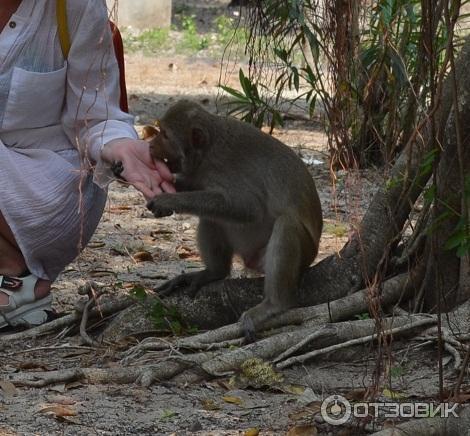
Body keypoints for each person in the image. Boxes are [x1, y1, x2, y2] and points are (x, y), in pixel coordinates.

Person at [0, 0, 174, 328]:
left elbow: (97, 116)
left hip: (52, 187)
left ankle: (15, 279)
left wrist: (119, 145)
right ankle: (14, 279)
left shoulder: (75, 7)